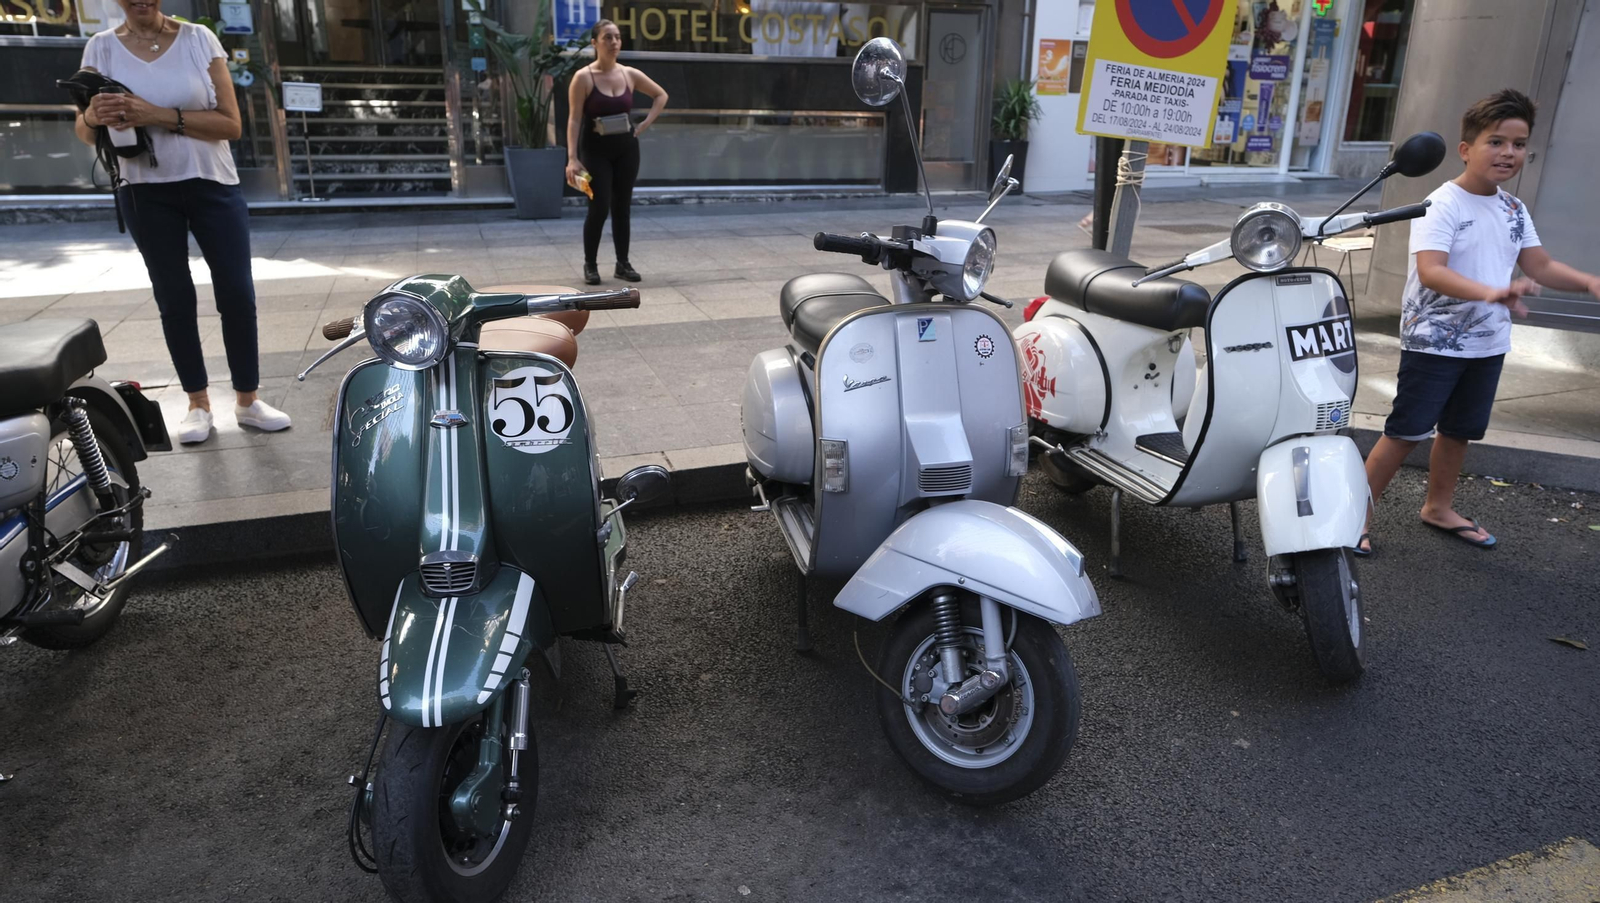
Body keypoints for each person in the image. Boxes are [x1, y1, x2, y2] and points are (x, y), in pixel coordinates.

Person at [1358, 89, 1600, 555]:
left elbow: (1540, 265)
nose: (1508, 152)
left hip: (1487, 343)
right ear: (1467, 149)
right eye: (1496, 142)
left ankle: (1438, 507)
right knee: (1405, 432)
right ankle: (1354, 517)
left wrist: (1588, 282)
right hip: (1434, 343)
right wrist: (1492, 291)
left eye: (1518, 143)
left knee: (1459, 430)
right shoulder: (1442, 204)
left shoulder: (1513, 209)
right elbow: (1432, 270)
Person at [74, 0, 290, 445]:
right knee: (173, 296)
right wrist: (93, 116)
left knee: (236, 289)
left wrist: (151, 113)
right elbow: (84, 128)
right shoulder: (100, 48)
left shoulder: (197, 39)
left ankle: (248, 400)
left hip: (213, 184)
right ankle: (197, 403)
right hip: (143, 190)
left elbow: (231, 125)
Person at [564, 19, 668, 286]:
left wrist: (644, 124)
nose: (614, 43)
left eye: (617, 37)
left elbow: (661, 95)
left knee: (622, 207)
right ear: (595, 42)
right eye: (608, 37)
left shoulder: (629, 74)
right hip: (595, 150)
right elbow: (574, 119)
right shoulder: (583, 77)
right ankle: (591, 264)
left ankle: (623, 263)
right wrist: (572, 157)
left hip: (626, 149)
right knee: (598, 207)